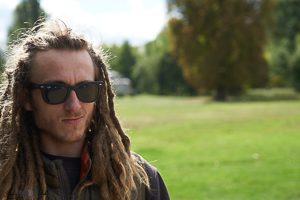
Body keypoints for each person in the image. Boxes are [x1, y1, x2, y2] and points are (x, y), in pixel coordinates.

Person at [0, 19, 170, 200]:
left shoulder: (141, 181)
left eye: (86, 89)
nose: (74, 105)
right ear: (26, 97)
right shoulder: (5, 180)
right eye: (56, 90)